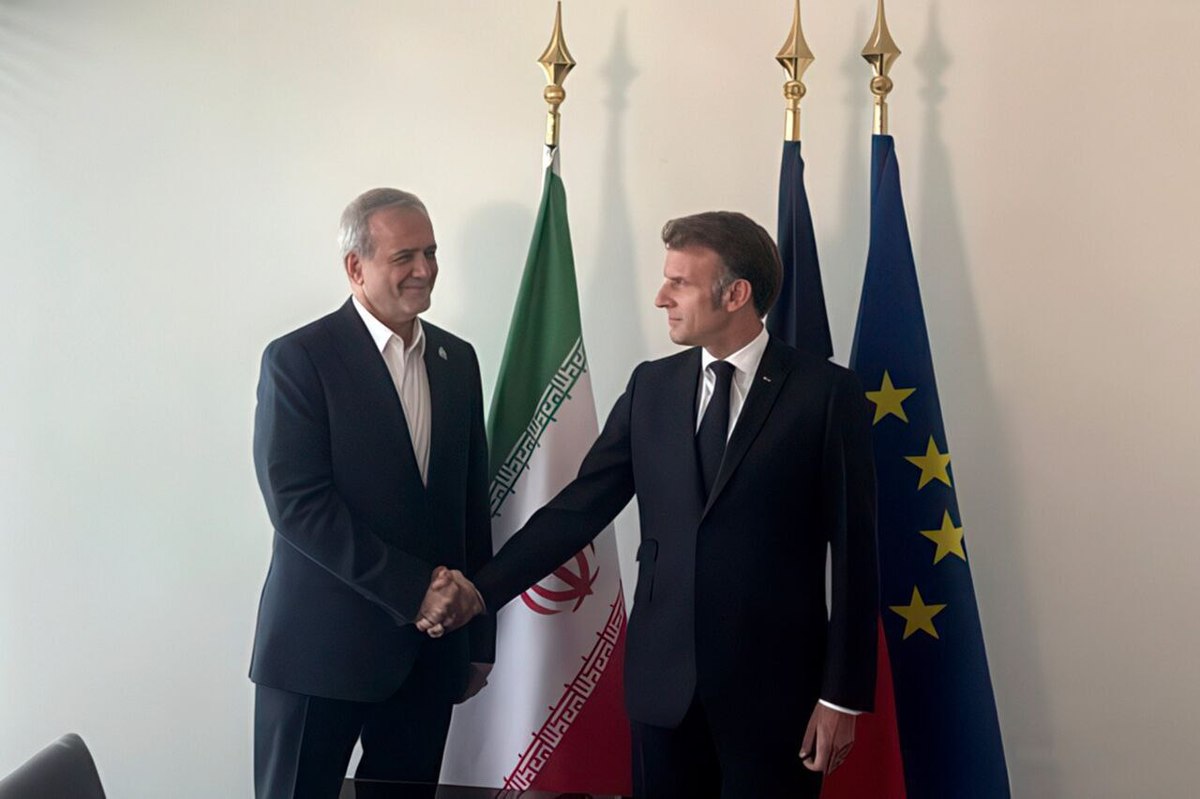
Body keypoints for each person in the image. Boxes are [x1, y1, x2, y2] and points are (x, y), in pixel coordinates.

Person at [419, 211, 878, 798]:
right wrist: (480, 592)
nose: (662, 297)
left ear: (736, 294)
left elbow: (857, 555)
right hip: (663, 691)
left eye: (679, 283)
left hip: (778, 695)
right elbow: (578, 510)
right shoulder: (651, 387)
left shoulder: (826, 394)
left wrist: (842, 698)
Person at [249, 188, 495, 799]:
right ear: (355, 268)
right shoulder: (299, 359)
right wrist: (415, 592)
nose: (424, 270)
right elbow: (298, 506)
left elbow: (470, 507)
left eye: (431, 253)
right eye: (404, 256)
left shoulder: (458, 361)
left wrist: (477, 637)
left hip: (430, 656)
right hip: (319, 654)